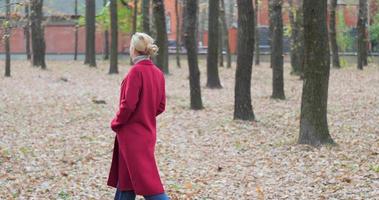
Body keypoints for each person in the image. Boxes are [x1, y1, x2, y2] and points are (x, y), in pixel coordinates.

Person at [107, 32, 169, 200]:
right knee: (126, 182)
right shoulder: (158, 73)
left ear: (133, 49)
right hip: (147, 133)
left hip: (131, 136)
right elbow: (161, 106)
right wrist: (145, 114)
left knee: (151, 186)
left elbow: (127, 106)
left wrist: (116, 123)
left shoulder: (136, 72)